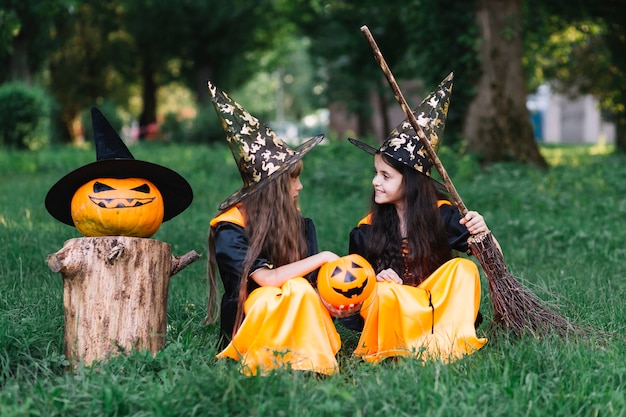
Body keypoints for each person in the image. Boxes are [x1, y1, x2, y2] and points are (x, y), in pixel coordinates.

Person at [346, 73, 491, 363]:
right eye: (376, 173)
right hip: (393, 309)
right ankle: (399, 348)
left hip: (432, 308)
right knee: (385, 292)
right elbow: (352, 291)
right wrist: (374, 279)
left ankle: (446, 346)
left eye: (386, 175)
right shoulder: (366, 230)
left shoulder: (442, 215)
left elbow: (493, 260)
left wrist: (483, 233)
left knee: (464, 270)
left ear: (411, 182)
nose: (376, 181)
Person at [204, 81, 341, 376]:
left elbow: (313, 286)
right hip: (251, 312)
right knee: (271, 296)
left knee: (300, 288)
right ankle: (264, 364)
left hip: (296, 301)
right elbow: (265, 279)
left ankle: (311, 361)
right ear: (273, 190)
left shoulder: (296, 223)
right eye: (293, 180)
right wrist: (323, 257)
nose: (300, 187)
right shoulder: (231, 228)